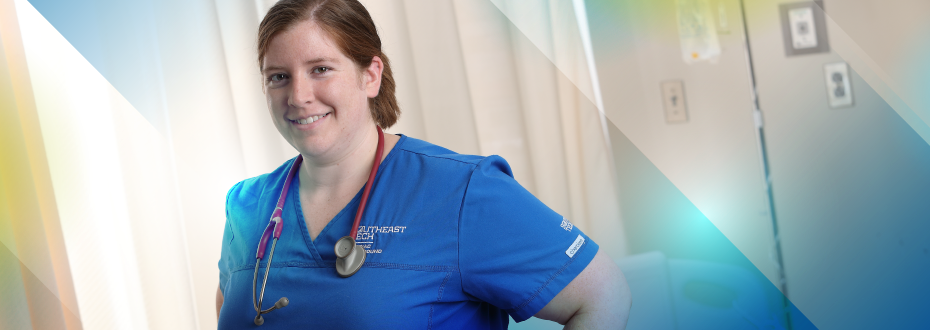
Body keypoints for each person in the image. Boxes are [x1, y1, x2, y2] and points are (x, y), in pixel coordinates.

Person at [215, 0, 631, 328]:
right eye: (278, 77)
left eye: (321, 69)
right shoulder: (246, 206)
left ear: (370, 75)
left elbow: (602, 294)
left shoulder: (461, 190)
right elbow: (228, 307)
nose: (299, 95)